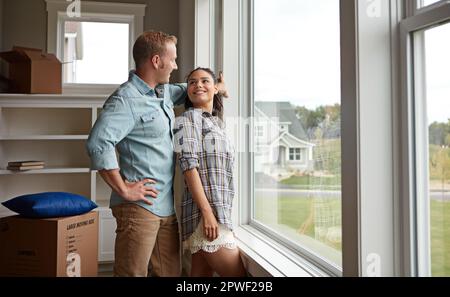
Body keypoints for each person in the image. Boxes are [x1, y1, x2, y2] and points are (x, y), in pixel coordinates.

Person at [86, 31, 227, 277]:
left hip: (165, 208)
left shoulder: (162, 92)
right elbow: (98, 143)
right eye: (172, 59)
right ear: (156, 61)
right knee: (132, 274)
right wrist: (124, 189)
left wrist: (216, 87)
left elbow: (192, 88)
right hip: (138, 208)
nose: (174, 65)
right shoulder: (125, 100)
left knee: (171, 274)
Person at [174, 67, 246, 277]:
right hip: (207, 217)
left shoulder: (215, 123)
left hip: (217, 215)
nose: (198, 85)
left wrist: (221, 89)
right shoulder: (187, 120)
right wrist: (207, 214)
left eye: (204, 81)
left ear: (215, 87)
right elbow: (189, 167)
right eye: (192, 82)